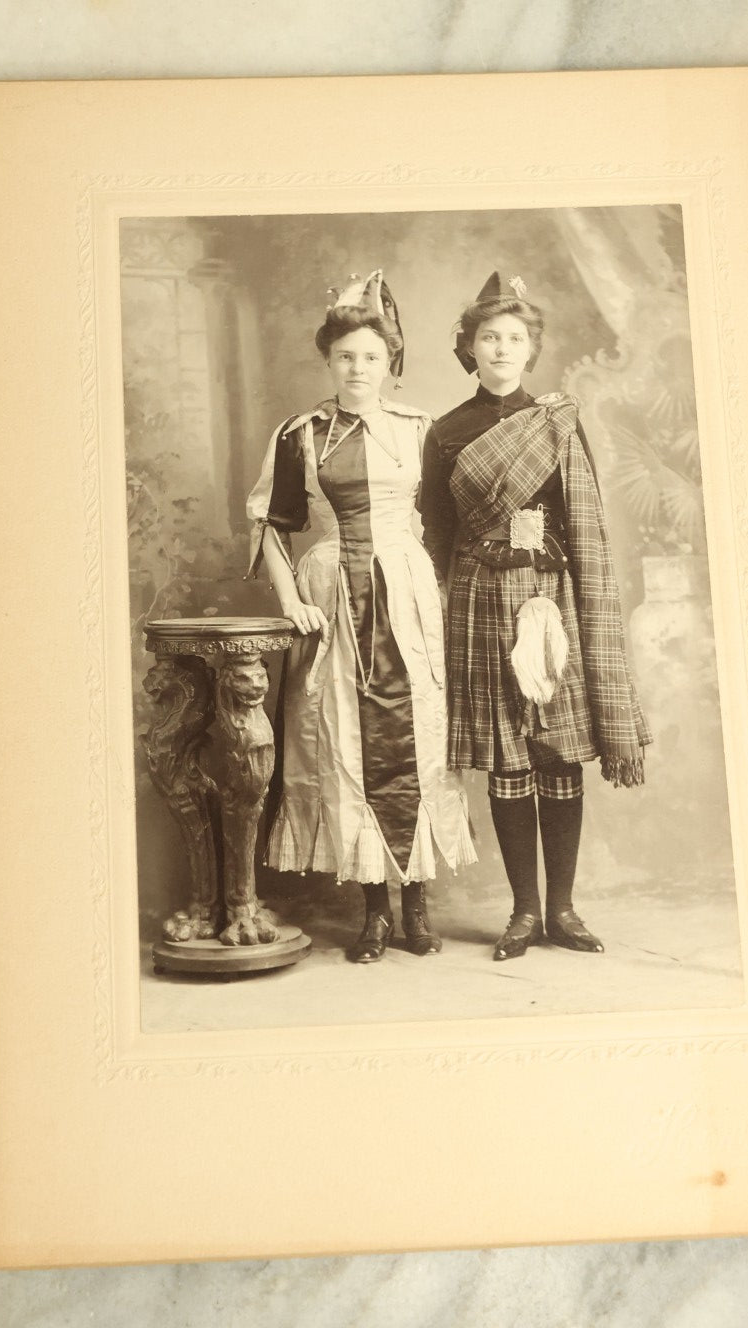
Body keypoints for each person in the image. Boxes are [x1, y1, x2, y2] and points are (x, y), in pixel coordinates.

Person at [420, 271, 652, 961]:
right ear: (468, 346)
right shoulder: (446, 433)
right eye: (488, 337)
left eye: (514, 338)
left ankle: (563, 909)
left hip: (548, 601)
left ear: (531, 350)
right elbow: (436, 532)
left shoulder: (557, 423)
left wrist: (571, 589)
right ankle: (522, 912)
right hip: (480, 600)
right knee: (507, 760)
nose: (500, 348)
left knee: (555, 752)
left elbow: (585, 520)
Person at [247, 269, 475, 963]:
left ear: (390, 364)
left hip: (406, 591)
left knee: (420, 737)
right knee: (343, 740)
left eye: (371, 356)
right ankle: (373, 910)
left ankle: (418, 904)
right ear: (328, 360)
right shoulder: (302, 433)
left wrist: (442, 597)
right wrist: (292, 603)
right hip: (332, 596)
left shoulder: (420, 431)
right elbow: (268, 525)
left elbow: (446, 523)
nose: (358, 368)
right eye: (345, 355)